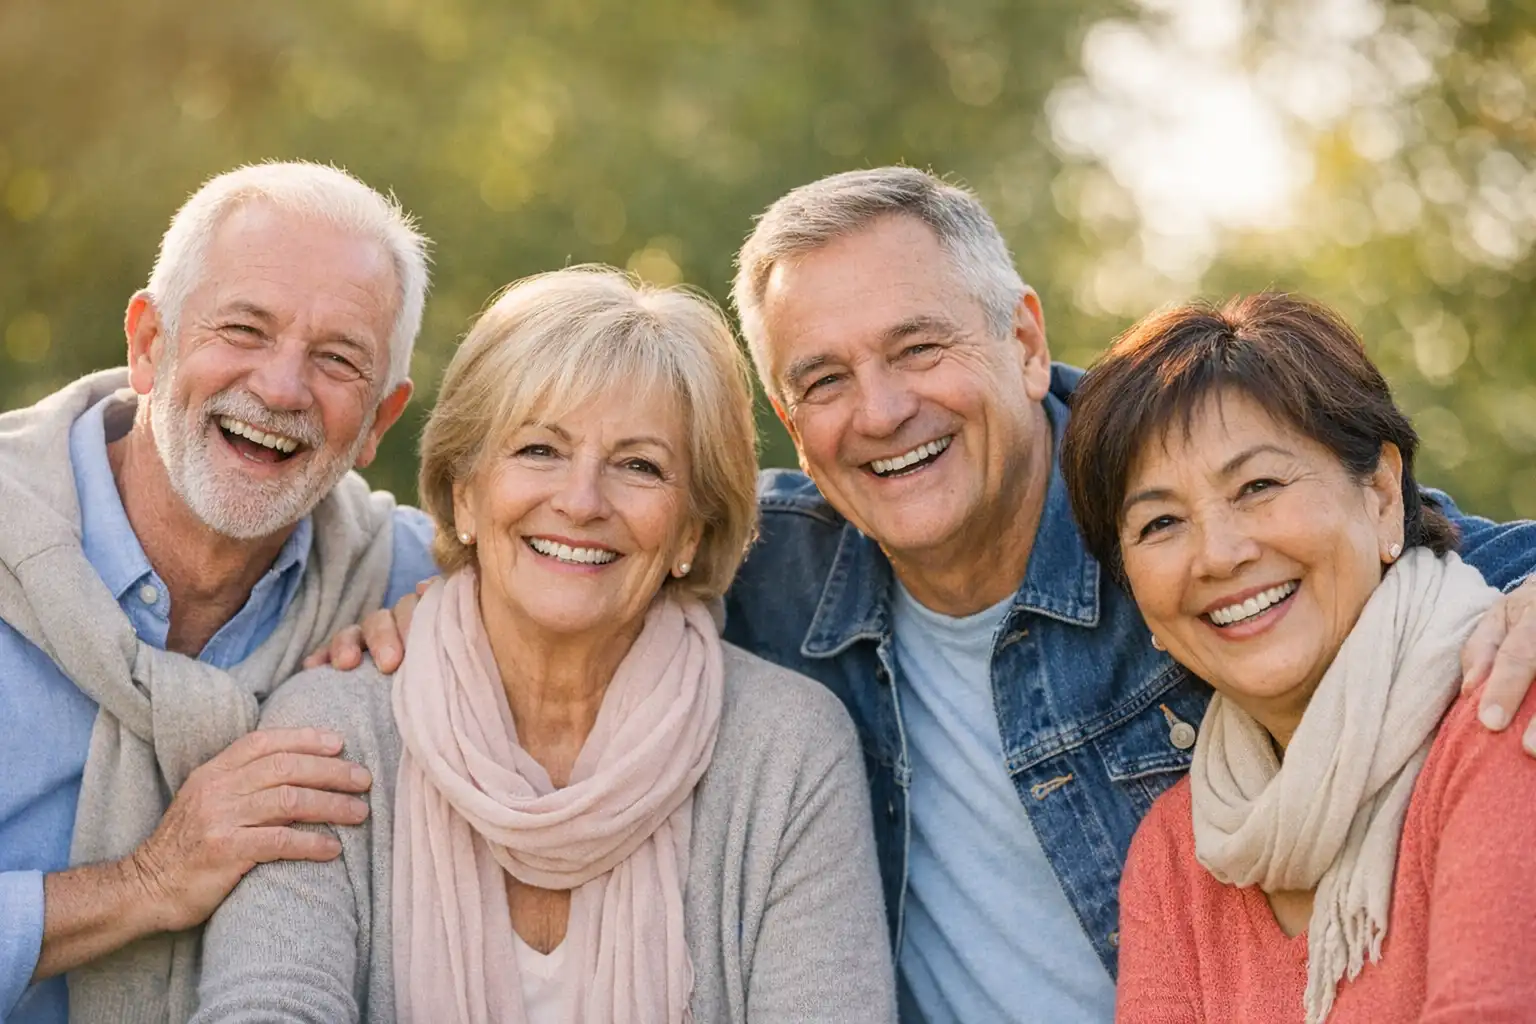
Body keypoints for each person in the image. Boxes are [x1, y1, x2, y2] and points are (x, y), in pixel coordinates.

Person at [326, 168, 1536, 1023]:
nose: (884, 410)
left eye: (919, 349)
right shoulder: (764, 567)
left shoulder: (1162, 505)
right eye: (826, 379)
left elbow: (1411, 547)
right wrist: (434, 599)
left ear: (1020, 337)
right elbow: (559, 542)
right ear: (791, 422)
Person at [193, 267, 895, 1023]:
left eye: (639, 466)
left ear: (691, 530)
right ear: (464, 493)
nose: (581, 502)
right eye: (538, 450)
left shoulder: (787, 749)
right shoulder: (333, 731)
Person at [0, 162, 440, 1024]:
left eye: (337, 359)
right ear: (148, 343)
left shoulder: (403, 582)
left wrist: (478, 622)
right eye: (243, 328)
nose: (280, 389)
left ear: (379, 424)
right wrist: (146, 883)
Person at [1060, 293, 1536, 1022]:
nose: (1220, 555)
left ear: (1381, 494)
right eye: (1161, 523)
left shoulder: (1506, 713)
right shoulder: (1179, 853)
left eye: (1258, 486)